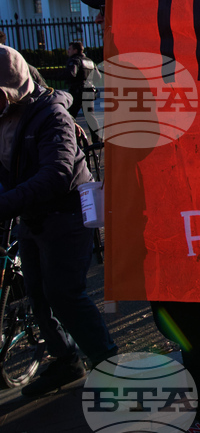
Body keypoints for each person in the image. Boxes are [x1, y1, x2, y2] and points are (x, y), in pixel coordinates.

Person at [82, 0, 200, 433]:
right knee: (179, 321)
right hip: (157, 220)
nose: (101, 19)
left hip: (188, 216)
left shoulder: (164, 67)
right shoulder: (122, 69)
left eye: (107, 11)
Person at [0, 44, 118, 398]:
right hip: (32, 216)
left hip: (66, 215)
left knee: (65, 293)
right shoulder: (7, 115)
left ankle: (107, 363)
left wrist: (7, 201)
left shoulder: (51, 115)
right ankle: (66, 358)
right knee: (37, 294)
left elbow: (59, 171)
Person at [64, 40, 96, 118]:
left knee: (70, 115)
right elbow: (98, 76)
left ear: (75, 50)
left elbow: (71, 73)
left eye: (70, 49)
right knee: (90, 116)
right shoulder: (90, 61)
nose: (68, 51)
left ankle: (70, 130)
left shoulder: (75, 60)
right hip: (89, 90)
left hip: (77, 91)